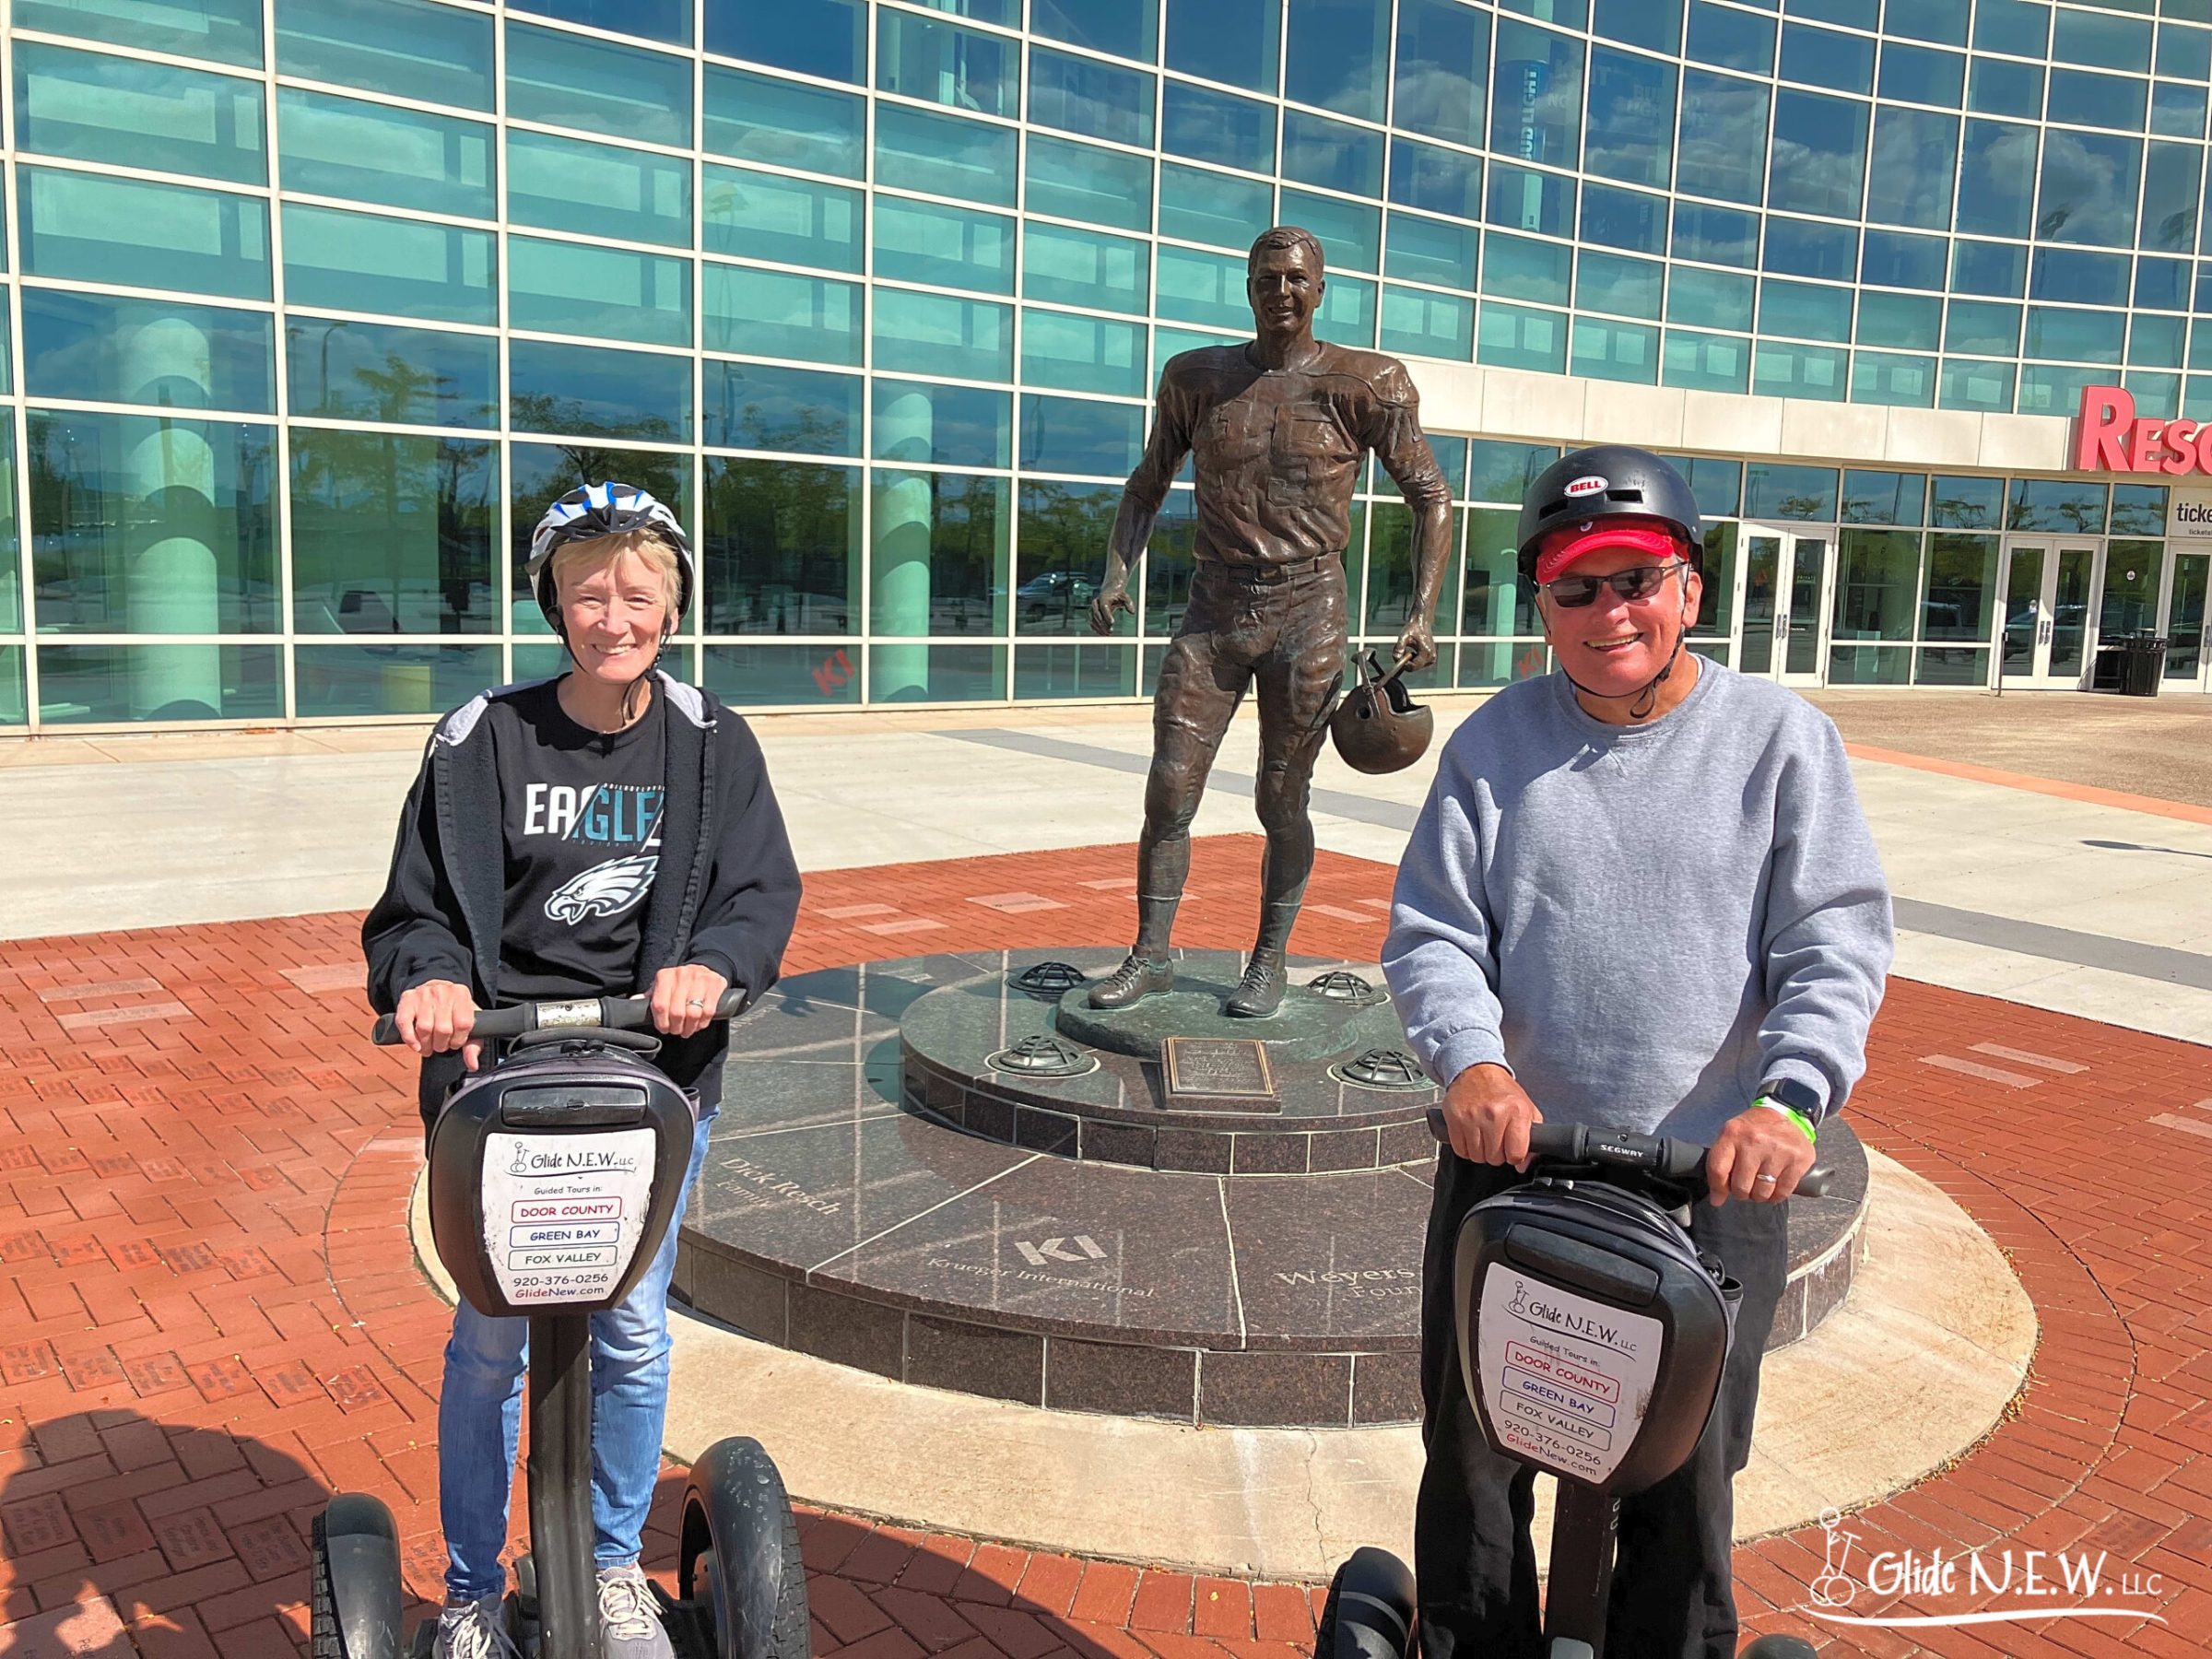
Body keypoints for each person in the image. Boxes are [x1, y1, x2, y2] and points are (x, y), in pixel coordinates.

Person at [1380, 445, 1893, 1659]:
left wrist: (1792, 1103)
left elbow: (1834, 947)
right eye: (1577, 586)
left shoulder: (1782, 745)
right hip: (1516, 1167)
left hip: (1710, 1184)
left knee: (1685, 1480)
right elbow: (1436, 937)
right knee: (1475, 1465)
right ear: (1543, 604)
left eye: (1637, 580)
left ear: (1689, 592)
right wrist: (1472, 1065)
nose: (1610, 611)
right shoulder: (1494, 749)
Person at [363, 482, 803, 1659]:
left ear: (674, 602)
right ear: (553, 602)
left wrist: (714, 964)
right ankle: (467, 1589)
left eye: (640, 591)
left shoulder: (712, 743)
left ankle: (610, 1568)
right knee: (493, 1338)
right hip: (498, 1085)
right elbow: (411, 914)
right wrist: (433, 981)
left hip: (653, 1080)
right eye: (590, 591)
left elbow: (761, 894)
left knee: (634, 1330)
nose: (616, 614)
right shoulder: (481, 741)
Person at [1086, 224, 1452, 1017]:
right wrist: (1119, 570)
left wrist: (1421, 614)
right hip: (1215, 606)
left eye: (1293, 279)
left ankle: (1268, 960)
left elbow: (1430, 495)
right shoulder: (1196, 379)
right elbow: (1147, 484)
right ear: (1247, 287)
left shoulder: (1369, 383)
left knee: (1280, 800)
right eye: (1264, 278)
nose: (1279, 292)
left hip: (1309, 608)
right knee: (1168, 788)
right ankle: (1150, 955)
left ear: (1319, 290)